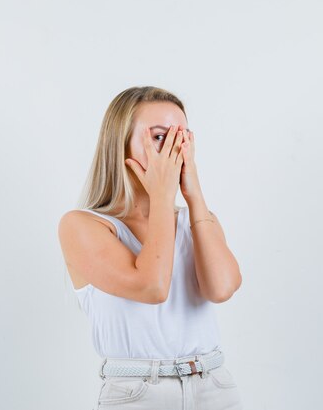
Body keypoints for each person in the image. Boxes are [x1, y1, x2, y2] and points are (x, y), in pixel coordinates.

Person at [58, 86, 244, 410]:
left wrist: (194, 195)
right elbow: (152, 285)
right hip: (137, 393)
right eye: (160, 137)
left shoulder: (197, 219)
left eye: (181, 137)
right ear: (120, 146)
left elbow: (222, 287)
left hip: (213, 384)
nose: (174, 149)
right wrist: (161, 195)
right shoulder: (82, 225)